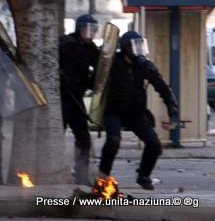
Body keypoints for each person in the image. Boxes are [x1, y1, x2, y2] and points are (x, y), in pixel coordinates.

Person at [99, 31, 179, 190]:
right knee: (113, 141)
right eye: (135, 46)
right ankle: (103, 176)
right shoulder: (113, 63)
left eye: (140, 46)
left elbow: (161, 85)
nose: (139, 50)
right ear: (126, 48)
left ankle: (144, 176)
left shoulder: (144, 66)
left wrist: (171, 104)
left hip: (135, 112)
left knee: (154, 144)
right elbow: (97, 71)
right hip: (114, 110)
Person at [59, 14, 100, 185]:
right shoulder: (67, 43)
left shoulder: (90, 48)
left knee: (83, 137)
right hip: (62, 97)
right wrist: (63, 77)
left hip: (76, 97)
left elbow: (100, 66)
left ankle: (81, 176)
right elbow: (51, 64)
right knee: (56, 135)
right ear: (79, 29)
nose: (90, 33)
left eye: (94, 30)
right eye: (88, 29)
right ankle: (53, 172)